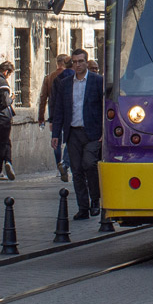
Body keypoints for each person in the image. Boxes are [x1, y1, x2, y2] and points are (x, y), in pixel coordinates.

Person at [49, 48, 103, 219]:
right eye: (75, 62)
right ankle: (83, 207)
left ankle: (95, 200)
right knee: (77, 170)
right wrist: (55, 134)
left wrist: (104, 130)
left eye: (81, 61)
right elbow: (59, 109)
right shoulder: (65, 83)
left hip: (93, 132)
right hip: (73, 132)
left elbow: (104, 106)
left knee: (89, 164)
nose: (78, 65)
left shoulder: (97, 81)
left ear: (86, 62)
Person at [38, 54, 72, 181]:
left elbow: (43, 98)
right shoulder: (71, 76)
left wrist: (42, 117)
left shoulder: (49, 77)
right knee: (69, 139)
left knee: (56, 140)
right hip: (68, 114)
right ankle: (65, 164)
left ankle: (59, 167)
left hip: (55, 114)